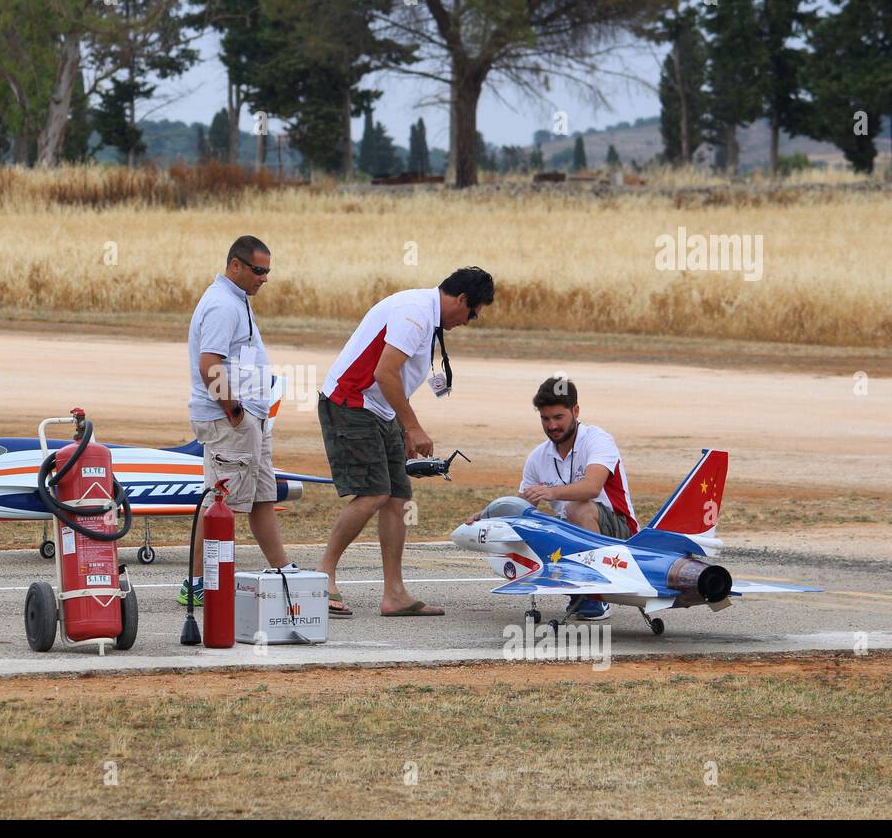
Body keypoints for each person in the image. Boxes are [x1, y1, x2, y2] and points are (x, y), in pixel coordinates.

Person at [315, 267, 495, 617]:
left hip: (379, 411)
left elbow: (391, 378)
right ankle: (323, 574)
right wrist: (412, 427)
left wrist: (399, 428)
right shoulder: (415, 312)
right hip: (351, 403)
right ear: (460, 299)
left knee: (397, 497)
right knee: (373, 494)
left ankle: (394, 594)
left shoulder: (426, 316)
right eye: (472, 313)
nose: (469, 321)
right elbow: (384, 372)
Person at [182, 235, 297, 605]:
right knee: (222, 503)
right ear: (236, 266)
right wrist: (235, 414)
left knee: (262, 498)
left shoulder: (237, 300)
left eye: (267, 272)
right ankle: (198, 584)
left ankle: (283, 570)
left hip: (252, 421)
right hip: (230, 422)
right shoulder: (222, 305)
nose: (264, 278)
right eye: (258, 271)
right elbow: (209, 364)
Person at [508, 376, 638, 621]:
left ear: (575, 411)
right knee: (530, 524)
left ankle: (596, 596)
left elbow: (591, 488)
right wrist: (487, 516)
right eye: (545, 419)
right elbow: (520, 507)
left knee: (578, 508)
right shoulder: (538, 456)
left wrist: (552, 492)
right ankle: (574, 589)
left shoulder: (598, 440)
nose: (552, 426)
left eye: (558, 417)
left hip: (621, 535)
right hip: (571, 532)